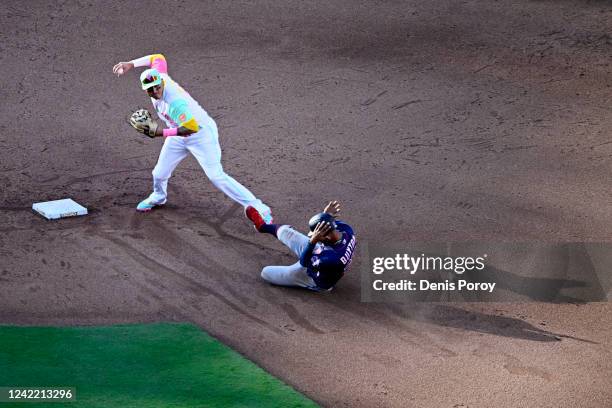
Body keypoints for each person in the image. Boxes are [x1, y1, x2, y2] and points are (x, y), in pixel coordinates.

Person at [112, 53, 272, 221]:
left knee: (216, 176)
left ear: (161, 83)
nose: (155, 91)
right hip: (178, 133)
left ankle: (259, 207)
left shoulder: (174, 102)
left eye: (157, 87)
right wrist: (131, 63)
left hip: (201, 135)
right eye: (150, 89)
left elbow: (191, 127)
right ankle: (159, 197)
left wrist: (160, 132)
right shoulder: (161, 77)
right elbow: (157, 58)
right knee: (159, 173)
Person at [245, 201, 356, 292]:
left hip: (313, 277)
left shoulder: (329, 259)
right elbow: (328, 224)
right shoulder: (347, 231)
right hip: (326, 256)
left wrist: (312, 242)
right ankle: (263, 227)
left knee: (266, 273)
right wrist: (325, 216)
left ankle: (306, 284)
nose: (314, 234)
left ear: (325, 238)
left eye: (318, 235)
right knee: (287, 233)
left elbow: (304, 262)